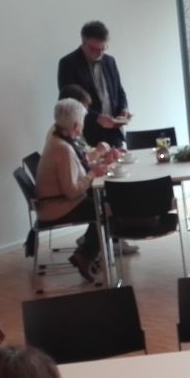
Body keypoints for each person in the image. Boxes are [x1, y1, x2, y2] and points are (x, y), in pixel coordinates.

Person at [35, 98, 119, 280]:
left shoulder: (58, 139)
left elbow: (78, 170)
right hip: (57, 207)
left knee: (103, 203)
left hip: (55, 203)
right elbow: (72, 190)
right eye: (82, 123)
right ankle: (86, 255)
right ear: (75, 126)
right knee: (107, 209)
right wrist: (93, 174)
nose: (82, 127)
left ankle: (88, 252)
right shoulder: (63, 149)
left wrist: (98, 166)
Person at [57, 20, 131, 148]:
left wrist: (123, 109)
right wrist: (97, 118)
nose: (99, 53)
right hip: (86, 133)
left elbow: (119, 91)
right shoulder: (68, 63)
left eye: (103, 48)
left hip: (113, 133)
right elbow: (69, 102)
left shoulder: (110, 61)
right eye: (94, 49)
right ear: (83, 42)